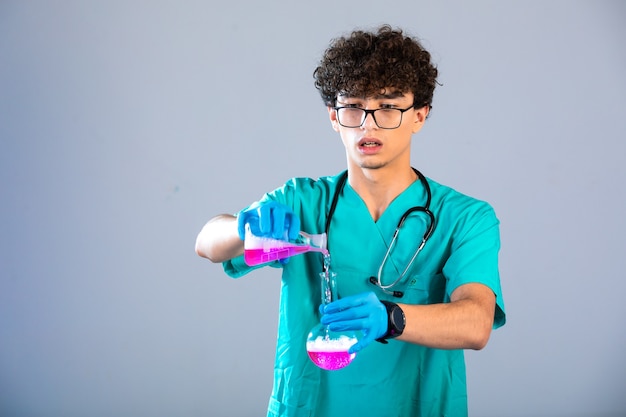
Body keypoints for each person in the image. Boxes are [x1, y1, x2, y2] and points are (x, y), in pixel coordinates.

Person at [195, 24, 505, 417]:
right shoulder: (304, 200)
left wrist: (392, 318)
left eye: (389, 106)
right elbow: (206, 243)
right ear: (334, 117)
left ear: (420, 115)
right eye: (353, 106)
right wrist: (243, 226)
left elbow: (476, 322)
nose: (368, 123)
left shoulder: (464, 217)